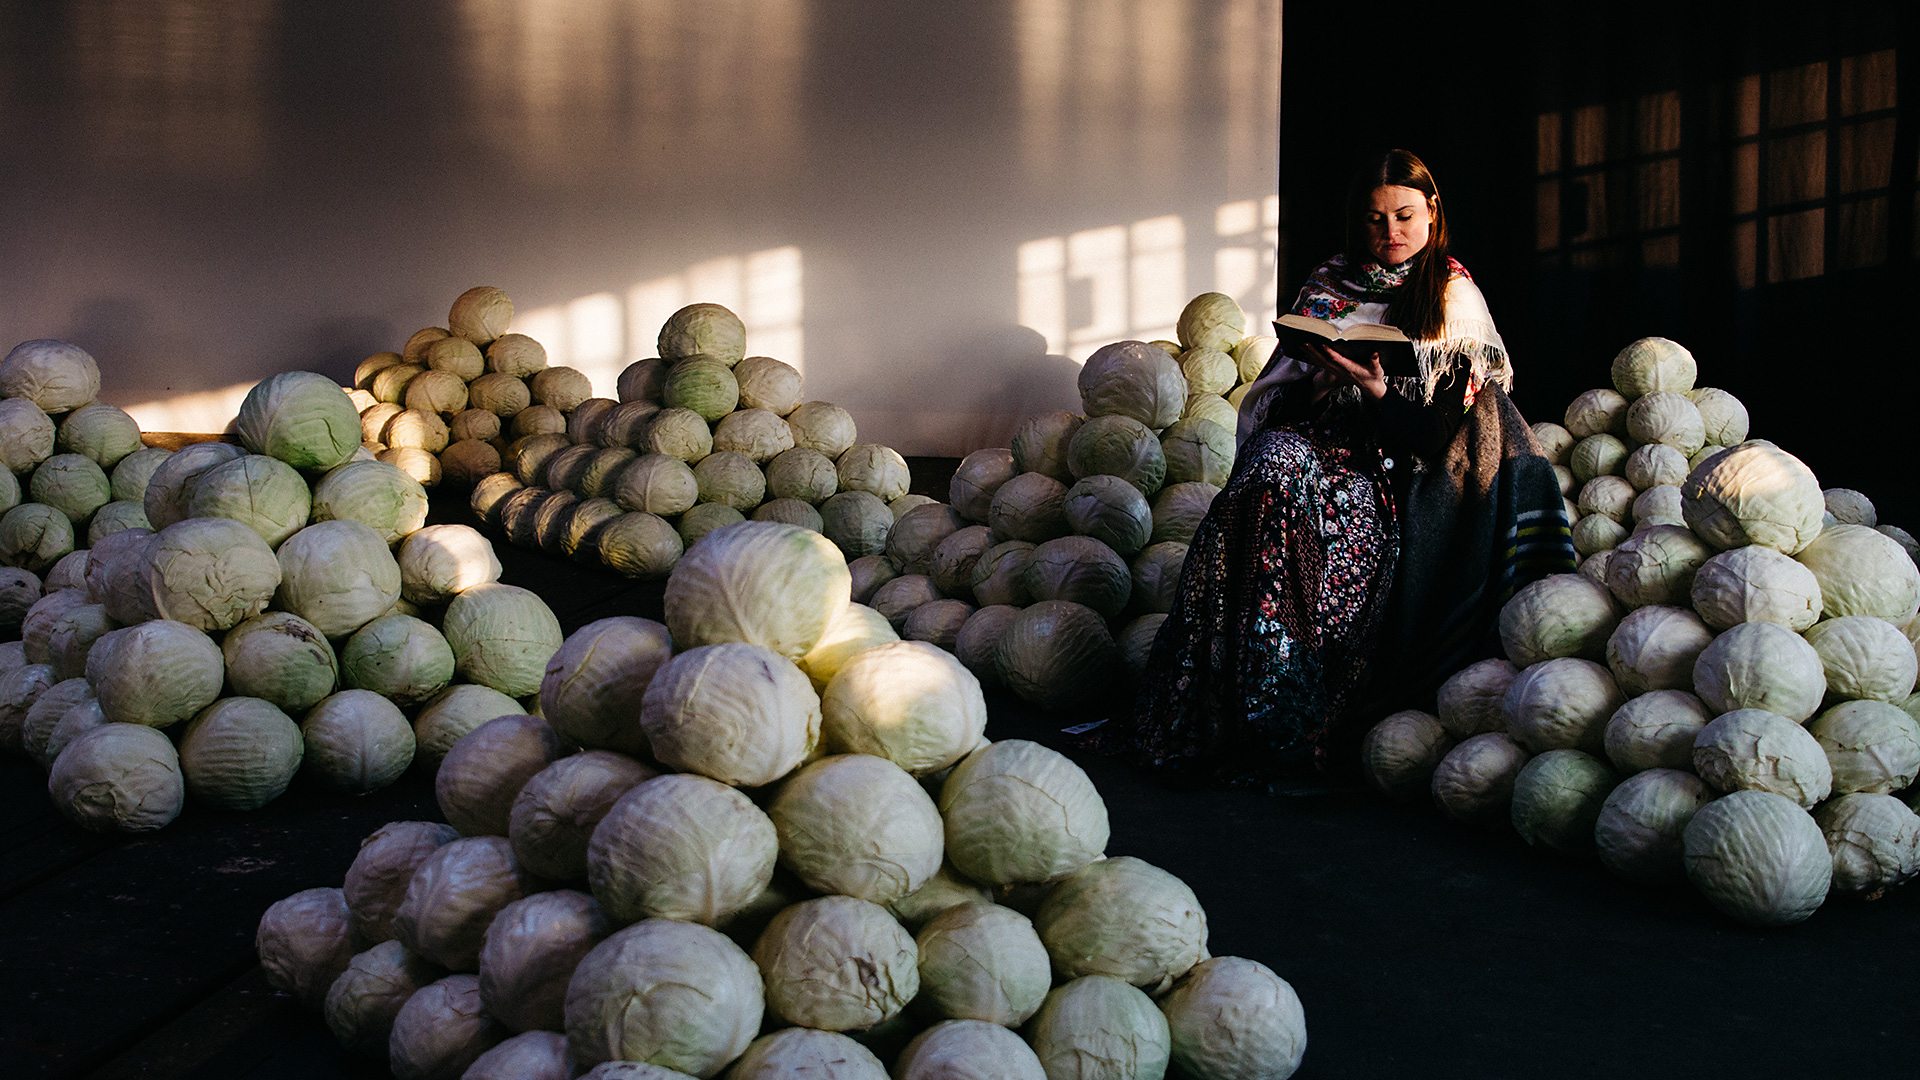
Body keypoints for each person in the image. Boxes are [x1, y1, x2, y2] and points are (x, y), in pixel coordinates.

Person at [1106, 148, 1574, 788]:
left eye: (1405, 216)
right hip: (1314, 437)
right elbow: (1282, 389)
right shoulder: (1330, 281)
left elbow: (1437, 435)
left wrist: (1376, 390)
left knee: (1334, 517)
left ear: (1432, 213)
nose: (1391, 234)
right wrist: (1319, 379)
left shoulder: (1452, 297)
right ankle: (1222, 704)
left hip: (1388, 462)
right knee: (1267, 473)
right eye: (1376, 220)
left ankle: (1294, 718)